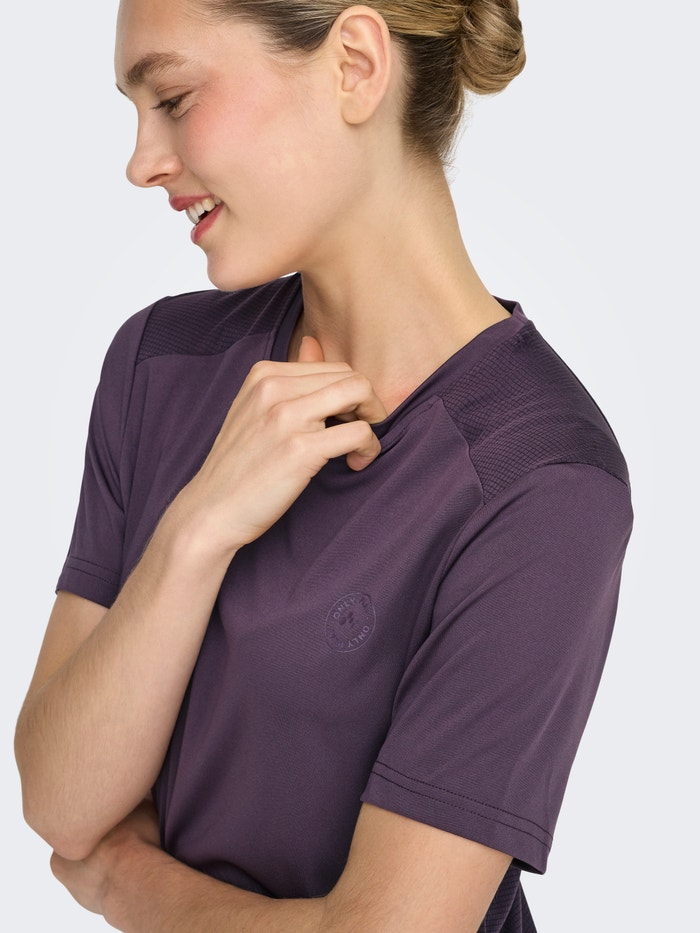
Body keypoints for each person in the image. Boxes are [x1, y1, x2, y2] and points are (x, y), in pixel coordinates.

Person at [14, 0, 633, 930]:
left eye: (173, 99)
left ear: (354, 64)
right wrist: (198, 529)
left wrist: (126, 883)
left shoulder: (540, 478)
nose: (141, 162)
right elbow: (61, 801)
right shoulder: (159, 365)